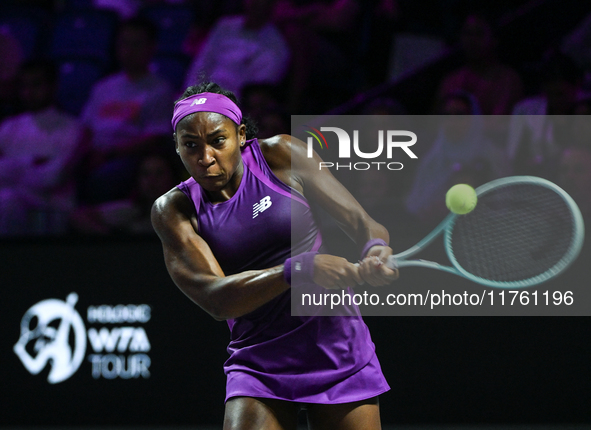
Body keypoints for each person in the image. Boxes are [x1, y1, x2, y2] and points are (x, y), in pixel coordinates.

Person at [151, 82, 398, 429]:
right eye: (191, 145)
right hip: (259, 363)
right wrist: (297, 269)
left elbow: (363, 224)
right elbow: (217, 300)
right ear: (177, 147)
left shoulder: (281, 154)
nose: (205, 158)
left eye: (218, 141)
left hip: (338, 348)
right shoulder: (174, 210)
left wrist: (375, 251)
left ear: (239, 134)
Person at [80, 17, 174, 204]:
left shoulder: (159, 90)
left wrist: (110, 154)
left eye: (136, 44)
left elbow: (154, 138)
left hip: (129, 157)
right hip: (96, 153)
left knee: (104, 179)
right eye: (124, 44)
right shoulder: (103, 87)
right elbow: (86, 128)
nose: (129, 51)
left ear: (151, 47)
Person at [0, 59, 85, 236]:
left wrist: (13, 168)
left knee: (7, 201)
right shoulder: (8, 127)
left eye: (36, 84)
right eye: (24, 85)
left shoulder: (71, 127)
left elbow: (53, 177)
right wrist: (32, 162)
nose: (29, 92)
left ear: (52, 86)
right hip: (12, 201)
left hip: (53, 207)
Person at [70, 151, 181, 235]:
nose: (152, 180)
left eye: (159, 173)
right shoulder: (130, 211)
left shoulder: (188, 216)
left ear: (173, 178)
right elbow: (79, 217)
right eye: (145, 174)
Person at [437, 13, 523, 115]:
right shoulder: (451, 81)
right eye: (467, 33)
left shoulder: (508, 80)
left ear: (494, 39)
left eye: (479, 34)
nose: (472, 40)